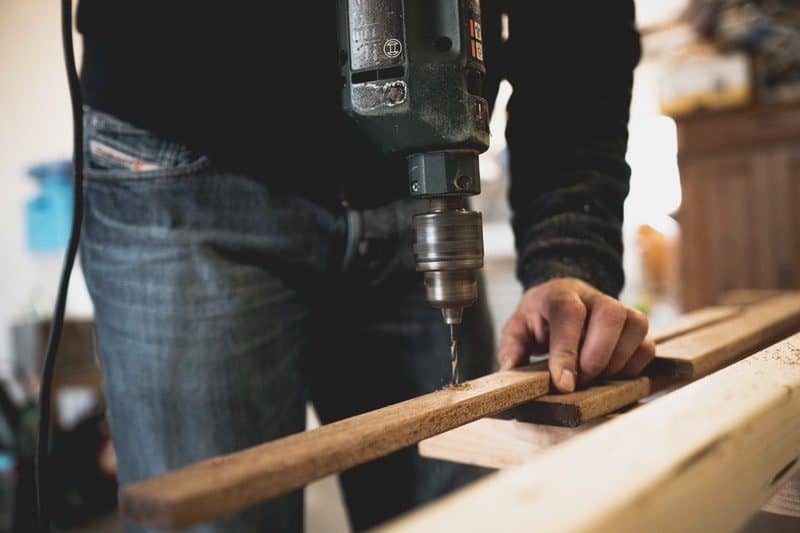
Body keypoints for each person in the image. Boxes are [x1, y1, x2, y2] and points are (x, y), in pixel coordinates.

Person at [76, 1, 652, 531]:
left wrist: (568, 249)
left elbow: (581, 25)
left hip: (406, 178)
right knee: (215, 512)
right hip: (182, 155)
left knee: (465, 513)